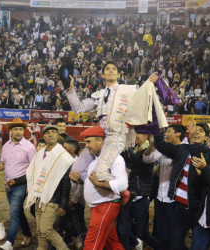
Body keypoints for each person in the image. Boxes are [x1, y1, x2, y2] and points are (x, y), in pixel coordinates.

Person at [65, 61, 160, 189]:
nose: (111, 70)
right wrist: (71, 90)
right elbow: (78, 108)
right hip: (100, 136)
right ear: (103, 75)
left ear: (118, 75)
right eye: (108, 69)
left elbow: (144, 96)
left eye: (114, 69)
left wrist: (150, 83)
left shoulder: (129, 90)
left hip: (117, 135)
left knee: (100, 173)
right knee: (76, 169)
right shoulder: (99, 95)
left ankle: (123, 190)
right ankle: (97, 188)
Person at [153, 121, 210, 249]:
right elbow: (159, 144)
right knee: (175, 243)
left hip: (197, 207)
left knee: (198, 245)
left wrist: (193, 144)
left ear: (207, 138)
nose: (196, 132)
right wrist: (158, 124)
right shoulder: (182, 149)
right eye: (195, 129)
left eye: (201, 131)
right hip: (180, 205)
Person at [72, 126, 127, 249]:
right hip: (98, 206)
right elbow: (91, 181)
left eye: (89, 141)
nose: (86, 146)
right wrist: (80, 179)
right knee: (112, 243)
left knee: (91, 244)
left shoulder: (115, 159)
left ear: (100, 141)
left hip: (105, 205)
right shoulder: (94, 161)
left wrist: (98, 184)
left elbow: (122, 184)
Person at [25, 125, 75, 250]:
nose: (51, 134)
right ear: (43, 136)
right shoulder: (39, 154)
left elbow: (65, 182)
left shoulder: (63, 157)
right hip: (39, 198)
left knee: (46, 230)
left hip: (53, 199)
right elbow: (32, 174)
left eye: (54, 132)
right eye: (47, 132)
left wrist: (63, 204)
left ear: (58, 136)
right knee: (40, 232)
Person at [0, 117, 36, 250]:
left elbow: (34, 168)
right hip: (7, 185)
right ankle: (27, 235)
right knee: (18, 212)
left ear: (24, 131)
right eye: (15, 129)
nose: (18, 132)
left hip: (21, 185)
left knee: (14, 211)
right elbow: (3, 164)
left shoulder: (29, 147)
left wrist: (30, 186)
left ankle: (10, 242)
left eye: (20, 129)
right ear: (11, 130)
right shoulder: (6, 146)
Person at [142, 124, 187, 249]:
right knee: (160, 229)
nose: (166, 134)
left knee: (172, 233)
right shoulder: (164, 148)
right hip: (160, 196)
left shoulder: (183, 150)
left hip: (174, 199)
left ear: (178, 134)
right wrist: (151, 145)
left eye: (169, 131)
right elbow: (147, 159)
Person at [118, 133, 159, 250]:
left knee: (143, 233)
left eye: (138, 133)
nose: (135, 135)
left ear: (146, 136)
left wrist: (127, 147)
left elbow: (139, 159)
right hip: (128, 196)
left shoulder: (147, 151)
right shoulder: (134, 149)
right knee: (123, 231)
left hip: (140, 197)